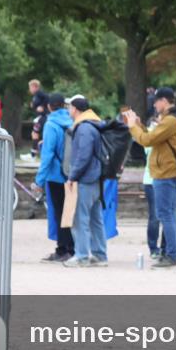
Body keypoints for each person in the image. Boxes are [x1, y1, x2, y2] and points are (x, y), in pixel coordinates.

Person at [124, 87, 176, 268]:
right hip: (168, 171)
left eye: (156, 102)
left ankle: (171, 255)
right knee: (168, 214)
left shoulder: (171, 121)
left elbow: (146, 141)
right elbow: (152, 137)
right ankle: (169, 253)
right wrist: (139, 125)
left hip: (165, 173)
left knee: (165, 215)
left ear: (164, 101)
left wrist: (133, 127)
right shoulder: (172, 119)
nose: (154, 105)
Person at [63, 96, 107, 267]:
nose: (68, 110)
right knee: (95, 219)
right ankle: (100, 254)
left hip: (85, 179)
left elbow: (83, 156)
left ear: (75, 109)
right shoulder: (94, 124)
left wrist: (73, 176)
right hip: (95, 179)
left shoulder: (84, 128)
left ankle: (81, 256)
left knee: (79, 219)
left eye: (69, 107)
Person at [36, 93, 75, 263]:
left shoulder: (51, 124)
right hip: (71, 174)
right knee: (69, 212)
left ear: (50, 106)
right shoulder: (72, 121)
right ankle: (70, 248)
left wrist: (39, 180)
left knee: (59, 213)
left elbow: (48, 154)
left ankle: (63, 249)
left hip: (55, 175)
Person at [140, 116, 165, 259]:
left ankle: (165, 248)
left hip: (167, 178)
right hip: (151, 180)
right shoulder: (151, 133)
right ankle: (153, 247)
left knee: (167, 216)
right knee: (155, 216)